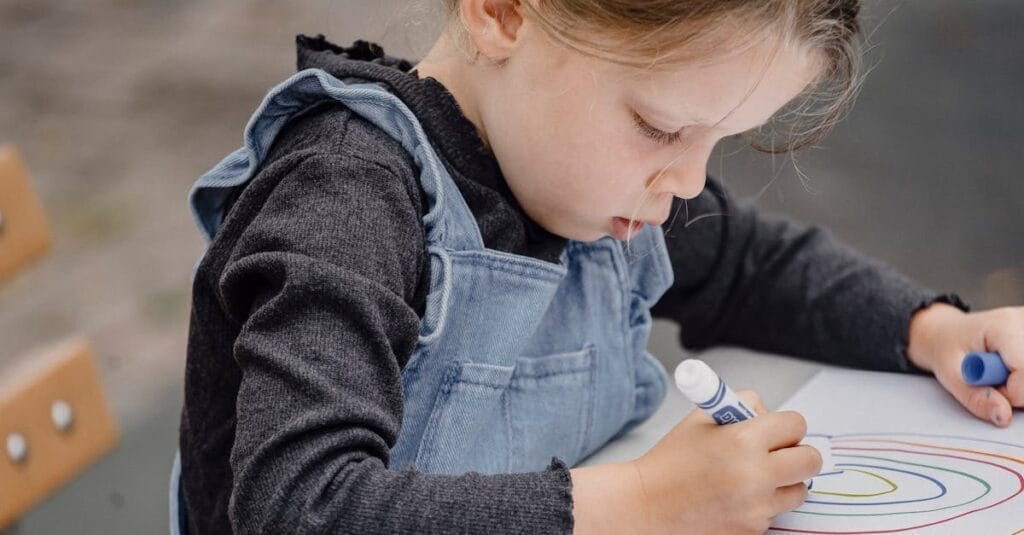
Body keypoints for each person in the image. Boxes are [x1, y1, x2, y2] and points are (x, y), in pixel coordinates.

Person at [175, 1, 1023, 533]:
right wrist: (649, 504)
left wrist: (935, 329)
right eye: (660, 128)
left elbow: (756, 266)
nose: (687, 182)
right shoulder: (344, 197)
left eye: (714, 142)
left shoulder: (590, 183)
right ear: (503, 12)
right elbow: (301, 503)